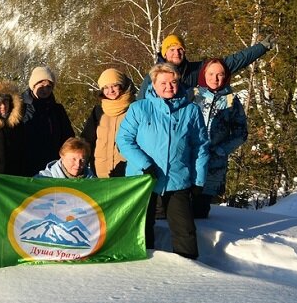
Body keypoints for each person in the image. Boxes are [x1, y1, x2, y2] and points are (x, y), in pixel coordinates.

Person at [117, 62, 209, 259]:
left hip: (177, 179)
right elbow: (124, 140)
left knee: (184, 229)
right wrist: (145, 164)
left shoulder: (191, 110)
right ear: (154, 84)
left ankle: (188, 267)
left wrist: (198, 180)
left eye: (173, 82)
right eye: (163, 82)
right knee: (142, 226)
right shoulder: (139, 108)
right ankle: (143, 264)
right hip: (143, 179)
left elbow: (200, 146)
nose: (169, 86)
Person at [136, 33, 272, 100]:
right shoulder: (153, 77)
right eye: (172, 50)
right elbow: (139, 105)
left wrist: (261, 48)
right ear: (165, 53)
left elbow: (231, 62)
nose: (176, 53)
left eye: (180, 49)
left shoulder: (196, 70)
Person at [192, 58, 248, 218]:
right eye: (211, 73)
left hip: (213, 166)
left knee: (200, 213)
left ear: (226, 77)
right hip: (189, 163)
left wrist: (221, 150)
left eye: (220, 74)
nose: (215, 78)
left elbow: (241, 133)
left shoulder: (231, 101)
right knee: (180, 213)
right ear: (204, 74)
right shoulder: (193, 96)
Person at [80, 68, 133, 178]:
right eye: (106, 88)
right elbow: (87, 140)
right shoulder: (98, 111)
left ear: (122, 86)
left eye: (114, 85)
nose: (111, 91)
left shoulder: (133, 109)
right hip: (99, 172)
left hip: (127, 172)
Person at [21, 66, 74, 175]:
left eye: (49, 86)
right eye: (41, 85)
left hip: (53, 168)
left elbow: (68, 138)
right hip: (26, 166)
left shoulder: (57, 110)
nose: (45, 90)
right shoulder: (20, 108)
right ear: (33, 86)